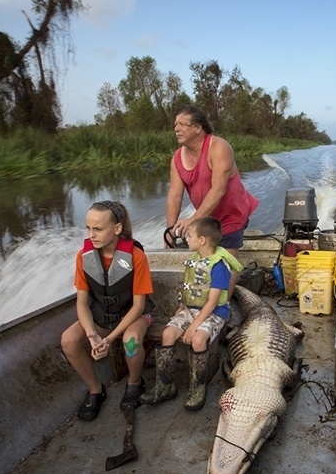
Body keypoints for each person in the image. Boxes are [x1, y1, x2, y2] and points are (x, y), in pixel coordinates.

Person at [60, 200, 154, 421]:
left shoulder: (136, 257)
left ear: (117, 228)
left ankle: (134, 383)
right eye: (88, 228)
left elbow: (139, 305)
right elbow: (82, 302)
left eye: (98, 229)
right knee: (68, 340)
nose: (92, 235)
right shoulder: (84, 256)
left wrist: (110, 339)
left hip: (133, 316)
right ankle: (95, 389)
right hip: (102, 316)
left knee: (130, 342)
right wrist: (92, 334)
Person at [141, 217, 243, 411]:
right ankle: (165, 385)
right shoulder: (195, 260)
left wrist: (195, 325)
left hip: (213, 312)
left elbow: (212, 302)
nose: (186, 239)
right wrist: (181, 309)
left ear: (202, 240)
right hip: (190, 310)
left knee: (197, 340)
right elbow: (190, 288)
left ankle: (197, 386)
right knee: (167, 334)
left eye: (189, 236)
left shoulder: (219, 266)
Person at [166, 104, 259, 291]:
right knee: (205, 260)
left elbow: (219, 190)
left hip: (232, 213)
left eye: (183, 124)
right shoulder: (177, 158)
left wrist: (193, 219)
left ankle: (223, 307)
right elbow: (175, 196)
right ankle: (205, 301)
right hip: (207, 216)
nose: (176, 128)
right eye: (176, 124)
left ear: (198, 128)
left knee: (226, 265)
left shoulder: (218, 147)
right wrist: (169, 232)